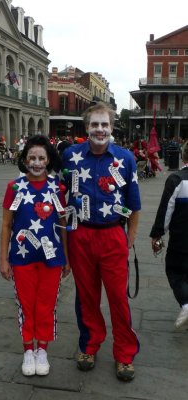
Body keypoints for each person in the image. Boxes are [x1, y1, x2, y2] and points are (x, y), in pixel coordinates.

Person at [62, 102, 141, 382]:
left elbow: (134, 204)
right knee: (86, 297)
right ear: (87, 128)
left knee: (118, 298)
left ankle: (125, 353)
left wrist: (129, 237)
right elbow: (61, 196)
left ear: (112, 127)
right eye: (94, 124)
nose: (99, 129)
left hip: (112, 235)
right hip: (80, 235)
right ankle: (89, 345)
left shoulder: (126, 158)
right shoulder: (70, 156)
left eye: (104, 124)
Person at [0, 135, 70, 377]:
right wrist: (3, 259)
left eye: (41, 158)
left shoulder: (57, 188)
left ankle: (43, 350)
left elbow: (62, 224)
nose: (37, 162)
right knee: (26, 304)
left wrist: (67, 258)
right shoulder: (14, 188)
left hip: (52, 257)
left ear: (48, 160)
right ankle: (28, 349)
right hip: (21, 258)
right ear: (24, 159)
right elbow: (6, 225)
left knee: (47, 305)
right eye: (32, 157)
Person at [150, 140, 188, 330]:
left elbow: (166, 210)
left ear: (183, 155)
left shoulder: (177, 180)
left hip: (182, 241)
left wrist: (157, 234)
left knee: (175, 271)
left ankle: (186, 304)